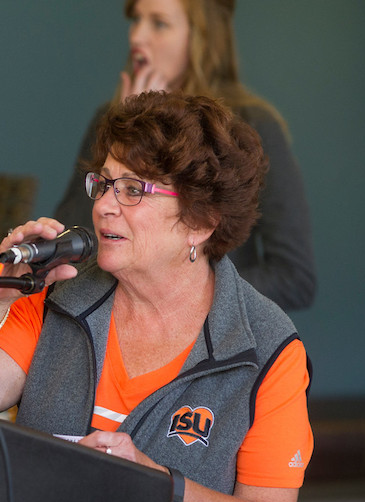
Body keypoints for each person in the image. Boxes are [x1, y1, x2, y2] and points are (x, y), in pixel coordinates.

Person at [0, 91, 313, 502]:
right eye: (104, 184)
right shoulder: (54, 296)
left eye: (133, 190)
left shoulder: (268, 347)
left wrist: (160, 486)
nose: (105, 205)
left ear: (201, 223)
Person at [54, 0, 316, 312]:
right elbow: (70, 243)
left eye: (159, 23)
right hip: (104, 331)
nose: (137, 36)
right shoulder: (111, 118)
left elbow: (294, 277)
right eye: (136, 20)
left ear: (202, 38)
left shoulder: (252, 125)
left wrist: (185, 294)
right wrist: (127, 136)